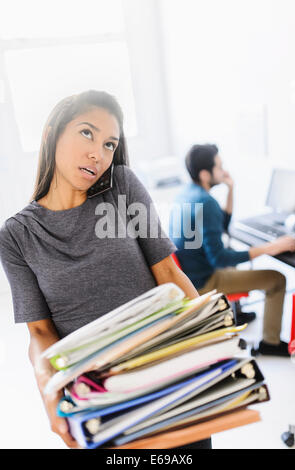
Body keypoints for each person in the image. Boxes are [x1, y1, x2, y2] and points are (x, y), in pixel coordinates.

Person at [0, 90, 212, 449]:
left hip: (168, 375)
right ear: (53, 132)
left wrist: (213, 343)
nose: (98, 154)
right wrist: (49, 392)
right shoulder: (17, 235)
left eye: (110, 144)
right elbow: (40, 332)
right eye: (87, 133)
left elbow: (170, 275)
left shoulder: (122, 188)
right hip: (102, 398)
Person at [169, 144, 295, 357]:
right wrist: (270, 248)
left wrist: (231, 189)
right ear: (205, 174)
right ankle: (270, 343)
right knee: (277, 279)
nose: (224, 171)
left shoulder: (188, 193)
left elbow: (221, 225)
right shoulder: (206, 201)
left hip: (189, 275)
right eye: (219, 167)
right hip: (204, 281)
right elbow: (219, 259)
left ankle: (238, 311)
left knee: (234, 254)